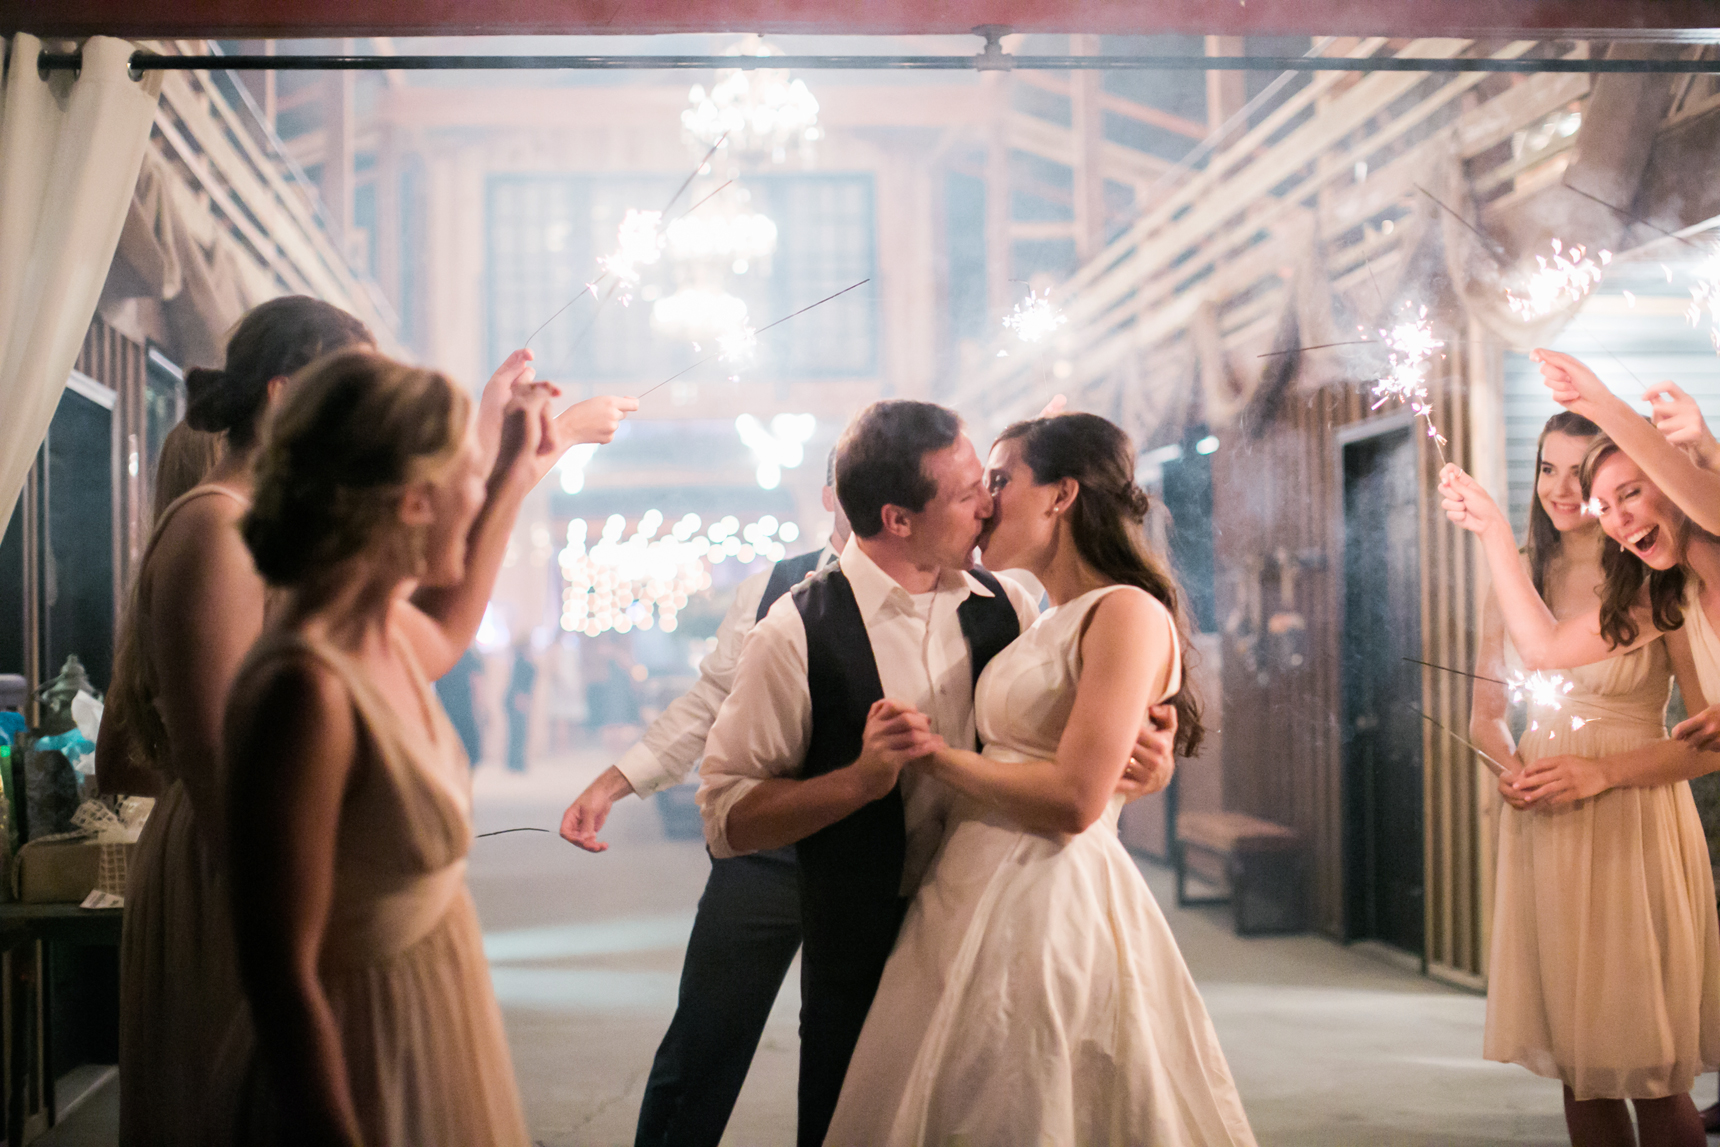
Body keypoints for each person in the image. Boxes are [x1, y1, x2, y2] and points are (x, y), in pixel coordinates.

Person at [695, 400, 1175, 1147]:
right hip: (861, 934)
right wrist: (857, 780)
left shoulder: (1010, 605)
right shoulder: (794, 629)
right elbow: (727, 819)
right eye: (965, 492)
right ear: (897, 518)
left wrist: (1140, 768)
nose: (987, 502)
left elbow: (1073, 754)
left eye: (991, 480)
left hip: (1003, 927)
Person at [220, 348, 631, 1145]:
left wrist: (515, 474)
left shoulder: (383, 631)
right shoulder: (305, 690)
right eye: (464, 478)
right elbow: (277, 974)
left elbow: (448, 620)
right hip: (360, 1048)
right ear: (412, 502)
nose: (474, 497)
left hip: (431, 1016)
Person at [823, 412, 1255, 1146]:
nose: (986, 501)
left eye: (1001, 479)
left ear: (1061, 495)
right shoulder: (1040, 614)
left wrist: (930, 755)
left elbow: (1076, 799)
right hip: (967, 886)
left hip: (1048, 895)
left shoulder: (1126, 612)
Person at [100, 296, 376, 1147]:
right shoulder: (217, 531)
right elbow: (220, 756)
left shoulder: (267, 526)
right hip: (240, 864)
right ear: (286, 397)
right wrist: (289, 920)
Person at [561, 457, 852, 1147]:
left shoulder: (941, 590)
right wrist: (613, 781)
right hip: (762, 845)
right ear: (831, 493)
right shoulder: (773, 587)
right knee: (703, 1042)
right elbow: (707, 705)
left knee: (842, 1059)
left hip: (869, 855)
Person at [1441, 434, 1720, 1146]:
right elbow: (1486, 716)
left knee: (1650, 1066)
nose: (1562, 489)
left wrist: (1602, 772)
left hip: (1634, 826)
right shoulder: (1516, 579)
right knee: (1578, 1064)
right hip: (1550, 828)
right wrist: (1512, 770)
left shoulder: (1660, 580)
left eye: (1583, 473)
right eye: (1546, 469)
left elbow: (1704, 749)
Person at [435, 645, 486, 766]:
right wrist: (480, 706)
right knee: (466, 748)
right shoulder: (468, 654)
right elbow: (476, 681)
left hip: (448, 707)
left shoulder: (440, 653)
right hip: (462, 708)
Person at [505, 638, 537, 772]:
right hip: (518, 700)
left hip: (519, 699)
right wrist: (520, 701)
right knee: (518, 732)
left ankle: (516, 762)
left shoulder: (522, 663)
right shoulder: (521, 663)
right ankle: (516, 763)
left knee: (518, 732)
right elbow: (518, 685)